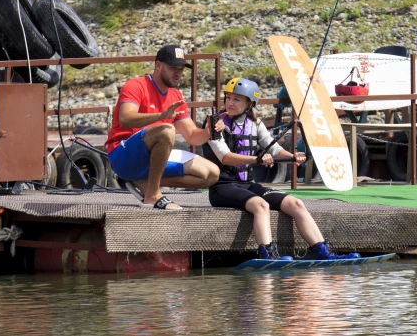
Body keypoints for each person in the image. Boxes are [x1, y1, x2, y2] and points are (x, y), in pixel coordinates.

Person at [203, 77, 360, 260]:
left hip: (247, 185)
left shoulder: (255, 124)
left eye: (236, 99)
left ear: (249, 104)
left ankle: (322, 251)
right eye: (228, 98)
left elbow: (273, 147)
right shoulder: (214, 124)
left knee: (296, 203)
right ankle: (268, 254)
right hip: (223, 187)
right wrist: (258, 159)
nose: (230, 103)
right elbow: (226, 158)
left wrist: (292, 156)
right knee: (261, 205)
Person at [105, 45, 223, 209]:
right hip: (123, 155)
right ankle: (152, 195)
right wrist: (160, 117)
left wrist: (209, 131)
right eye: (173, 68)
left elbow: (192, 137)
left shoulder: (176, 95)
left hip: (152, 159)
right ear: (158, 65)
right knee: (167, 130)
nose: (178, 73)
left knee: (211, 174)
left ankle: (143, 182)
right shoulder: (135, 86)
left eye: (181, 69)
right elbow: (125, 118)